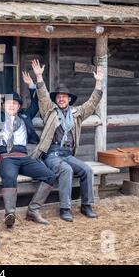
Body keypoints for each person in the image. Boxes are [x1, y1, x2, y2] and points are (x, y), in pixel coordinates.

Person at [30, 59, 104, 222]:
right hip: (52, 154)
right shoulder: (49, 111)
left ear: (69, 99)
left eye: (65, 97)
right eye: (59, 97)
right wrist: (39, 77)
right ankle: (65, 208)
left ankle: (87, 206)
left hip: (68, 154)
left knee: (87, 170)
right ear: (56, 99)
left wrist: (98, 83)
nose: (62, 99)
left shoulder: (77, 114)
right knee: (66, 170)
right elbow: (42, 96)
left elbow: (92, 104)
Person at [0, 71, 56, 227]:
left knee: (50, 175)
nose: (12, 105)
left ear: (19, 106)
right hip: (6, 157)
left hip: (24, 157)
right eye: (9, 103)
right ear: (4, 105)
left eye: (15, 103)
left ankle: (33, 210)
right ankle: (10, 214)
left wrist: (32, 85)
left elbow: (36, 102)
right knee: (10, 178)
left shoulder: (25, 116)